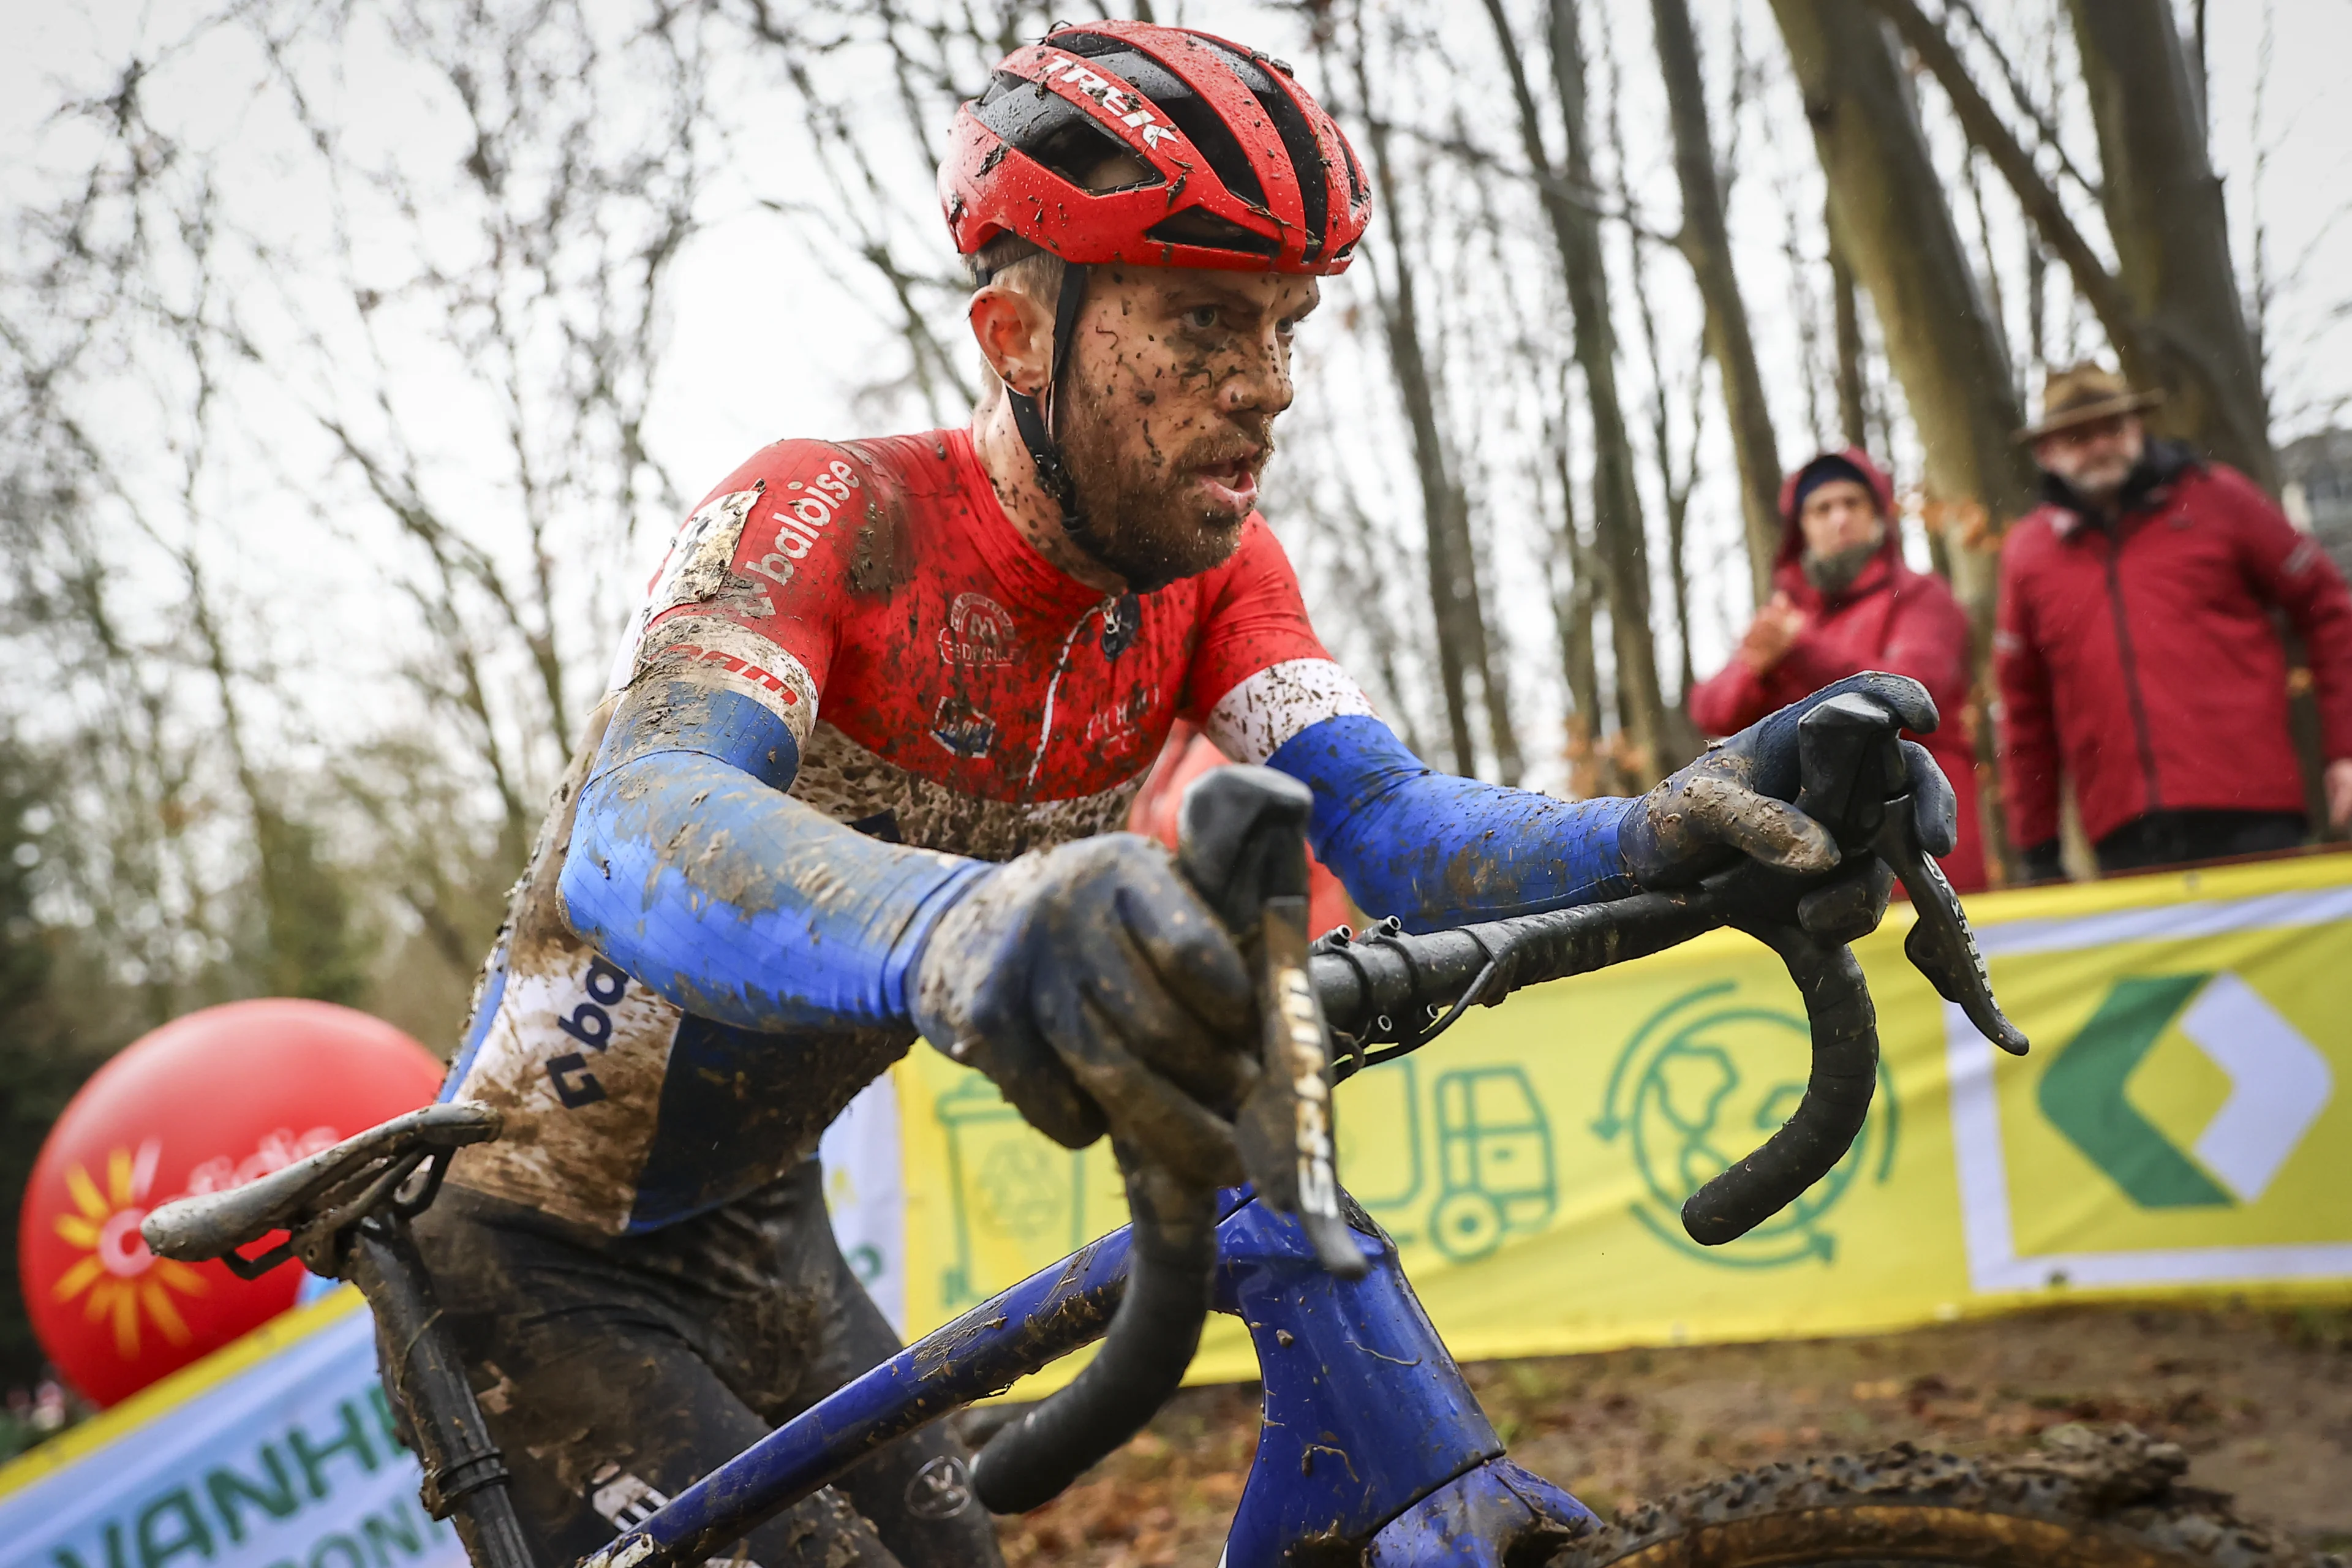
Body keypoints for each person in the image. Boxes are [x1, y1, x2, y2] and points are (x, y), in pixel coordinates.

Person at [420, 22, 1956, 1566]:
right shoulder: (828, 510)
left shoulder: (1212, 579)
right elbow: (639, 824)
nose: (1269, 386)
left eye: (1287, 323)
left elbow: (1397, 824)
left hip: (766, 1224)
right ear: (1016, 337)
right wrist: (969, 919)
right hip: (530, 1241)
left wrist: (1665, 820)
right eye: (1206, 324)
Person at [1996, 362, 2352, 882]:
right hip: (2125, 831)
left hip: (2253, 810)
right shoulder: (2028, 555)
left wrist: (2345, 750)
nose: (2099, 446)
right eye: (2078, 436)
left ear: (2138, 428)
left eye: (2112, 428)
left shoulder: (2221, 499)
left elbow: (2329, 611)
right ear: (2047, 451)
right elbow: (2022, 708)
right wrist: (2037, 846)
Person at [1687, 450, 1985, 891]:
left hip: (1920, 839)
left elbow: (1918, 694)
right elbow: (1713, 710)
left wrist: (1800, 650)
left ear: (1878, 514)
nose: (1839, 519)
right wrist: (1760, 670)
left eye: (1852, 503)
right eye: (1822, 509)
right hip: (1817, 861)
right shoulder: (1785, 616)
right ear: (1802, 528)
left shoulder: (1923, 597)